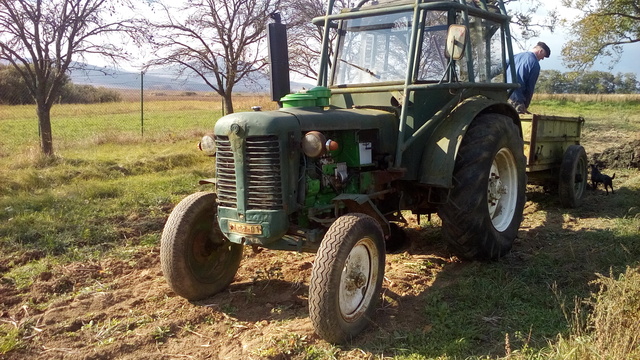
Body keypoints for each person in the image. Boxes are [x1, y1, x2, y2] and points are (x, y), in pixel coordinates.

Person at [506, 41, 550, 114]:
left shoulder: (516, 56)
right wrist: (525, 105)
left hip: (504, 95)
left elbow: (499, 67)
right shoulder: (535, 64)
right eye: (543, 56)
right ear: (540, 51)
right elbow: (530, 88)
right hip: (517, 98)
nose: (542, 59)